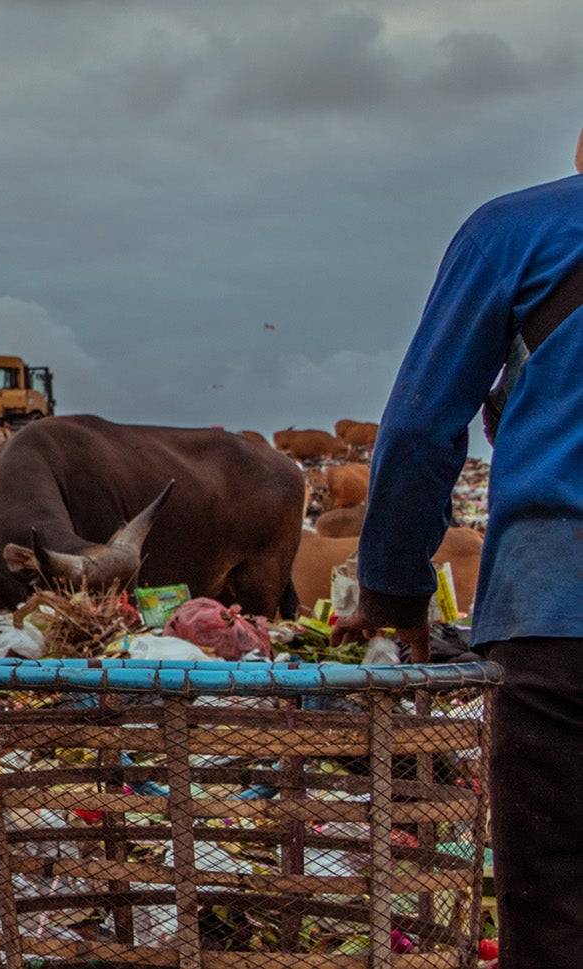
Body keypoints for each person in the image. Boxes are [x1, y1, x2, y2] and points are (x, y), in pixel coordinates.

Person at [335, 132, 583, 968]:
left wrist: (395, 595)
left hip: (557, 626)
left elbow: (416, 431)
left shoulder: (515, 232)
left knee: (555, 909)